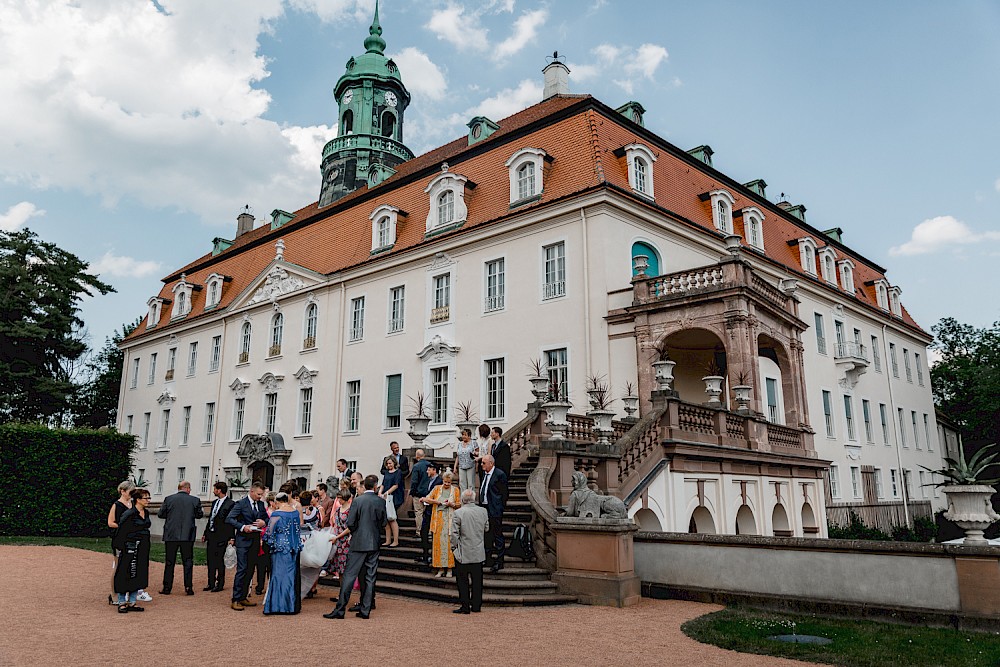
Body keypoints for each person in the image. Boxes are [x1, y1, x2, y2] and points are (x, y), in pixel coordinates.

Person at [324, 474, 387, 620]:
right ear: (376, 486)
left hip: (358, 542)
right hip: (374, 542)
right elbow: (383, 522)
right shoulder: (380, 501)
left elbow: (351, 523)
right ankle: (366, 609)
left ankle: (340, 609)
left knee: (349, 575)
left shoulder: (358, 501)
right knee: (370, 577)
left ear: (365, 486)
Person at [226, 481, 269, 611]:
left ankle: (243, 596)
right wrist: (243, 527)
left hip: (255, 541)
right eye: (258, 494)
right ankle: (236, 598)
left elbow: (267, 519)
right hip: (243, 541)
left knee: (250, 570)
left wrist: (263, 522)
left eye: (261, 495)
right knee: (242, 569)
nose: (260, 497)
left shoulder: (261, 505)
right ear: (251, 491)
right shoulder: (240, 504)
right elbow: (230, 519)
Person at [157, 480, 204, 595]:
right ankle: (188, 587)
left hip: (171, 534)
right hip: (187, 535)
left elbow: (160, 514)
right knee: (188, 561)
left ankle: (167, 587)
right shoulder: (195, 500)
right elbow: (199, 515)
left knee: (169, 561)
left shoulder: (169, 499)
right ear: (187, 488)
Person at [113, 488, 152, 613]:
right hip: (129, 546)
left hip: (142, 547)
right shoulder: (129, 514)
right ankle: (122, 602)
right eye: (146, 498)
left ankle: (133, 601)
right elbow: (121, 531)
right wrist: (120, 547)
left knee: (138, 572)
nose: (148, 501)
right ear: (138, 500)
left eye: (148, 498)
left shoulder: (146, 513)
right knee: (125, 572)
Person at [262, 492, 302, 615]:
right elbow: (297, 529)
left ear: (278, 501)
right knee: (290, 575)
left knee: (278, 575)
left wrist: (266, 539)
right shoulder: (295, 512)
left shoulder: (277, 514)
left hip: (279, 547)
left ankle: (277, 606)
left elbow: (269, 532)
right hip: (293, 546)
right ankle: (290, 605)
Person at [450, 488, 489, 614]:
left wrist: (453, 547)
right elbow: (486, 528)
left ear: (463, 500)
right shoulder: (483, 511)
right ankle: (476, 605)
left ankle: (465, 606)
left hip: (463, 551)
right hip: (478, 550)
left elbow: (454, 534)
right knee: (477, 580)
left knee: (462, 580)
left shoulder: (458, 513)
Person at [107, 480, 142, 606]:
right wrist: (124, 527)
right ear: (122, 491)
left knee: (131, 566)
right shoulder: (117, 505)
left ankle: (128, 593)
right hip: (120, 540)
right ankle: (114, 594)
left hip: (132, 539)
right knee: (118, 567)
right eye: (130, 492)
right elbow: (110, 522)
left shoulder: (133, 504)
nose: (131, 494)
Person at [425, 471, 461, 578]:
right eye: (445, 482)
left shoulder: (455, 490)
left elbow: (459, 504)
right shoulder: (436, 488)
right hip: (438, 520)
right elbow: (427, 499)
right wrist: (436, 502)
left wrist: (452, 504)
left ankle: (449, 569)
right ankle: (440, 569)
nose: (446, 484)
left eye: (449, 482)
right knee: (438, 545)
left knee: (449, 545)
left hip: (450, 520)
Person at [202, 481, 235, 592]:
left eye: (215, 489)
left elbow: (231, 522)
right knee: (210, 559)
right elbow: (211, 518)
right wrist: (205, 533)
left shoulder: (230, 504)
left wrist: (231, 537)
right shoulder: (215, 502)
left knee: (219, 560)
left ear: (219, 490)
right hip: (211, 534)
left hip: (222, 535)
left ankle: (220, 583)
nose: (213, 491)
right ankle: (210, 582)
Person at [478, 455, 509, 572]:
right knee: (487, 535)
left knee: (497, 535)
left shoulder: (500, 474)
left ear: (491, 463)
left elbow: (504, 493)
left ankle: (500, 561)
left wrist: (500, 507)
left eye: (484, 463)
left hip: (495, 509)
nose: (481, 465)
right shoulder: (484, 474)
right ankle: (487, 558)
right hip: (484, 508)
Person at [414, 463, 442, 565]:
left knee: (430, 534)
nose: (427, 472)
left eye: (429, 470)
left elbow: (437, 498)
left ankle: (431, 556)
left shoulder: (439, 482)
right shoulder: (430, 481)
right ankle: (426, 555)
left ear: (434, 470)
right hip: (428, 511)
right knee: (423, 532)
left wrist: (426, 500)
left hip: (434, 511)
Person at [328, 489, 353, 581]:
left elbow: (350, 527)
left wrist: (337, 536)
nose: (338, 500)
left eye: (340, 498)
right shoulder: (338, 509)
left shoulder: (350, 510)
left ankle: (344, 593)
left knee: (344, 567)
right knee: (339, 567)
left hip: (345, 541)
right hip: (337, 540)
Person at [379, 456, 402, 547]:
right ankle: (388, 540)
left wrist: (386, 493)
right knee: (386, 519)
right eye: (387, 464)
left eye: (390, 463)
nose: (389, 465)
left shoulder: (398, 472)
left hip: (394, 497)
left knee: (392, 518)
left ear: (394, 463)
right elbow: (383, 484)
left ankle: (395, 540)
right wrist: (380, 492)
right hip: (386, 497)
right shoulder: (386, 473)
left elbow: (396, 485)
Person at [408, 449, 431, 537]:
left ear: (417, 456)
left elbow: (414, 481)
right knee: (428, 513)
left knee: (419, 512)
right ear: (424, 455)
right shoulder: (429, 465)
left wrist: (412, 492)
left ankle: (419, 531)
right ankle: (428, 531)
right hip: (428, 493)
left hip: (418, 493)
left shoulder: (416, 466)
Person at [454, 428, 478, 493]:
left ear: (469, 436)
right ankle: (463, 500)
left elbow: (478, 455)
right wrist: (455, 467)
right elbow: (458, 456)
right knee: (462, 483)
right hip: (461, 466)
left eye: (465, 435)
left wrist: (476, 466)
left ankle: (471, 500)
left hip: (470, 465)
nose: (463, 436)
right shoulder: (459, 444)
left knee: (470, 484)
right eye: (463, 435)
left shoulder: (473, 443)